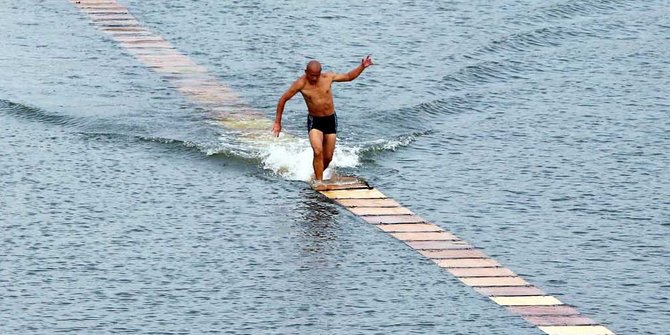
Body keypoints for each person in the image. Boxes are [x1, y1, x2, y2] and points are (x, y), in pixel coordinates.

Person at [272, 55, 373, 184]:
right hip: (315, 121)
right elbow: (283, 100)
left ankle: (314, 176)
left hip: (330, 120)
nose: (314, 78)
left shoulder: (327, 78)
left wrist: (362, 67)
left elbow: (348, 77)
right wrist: (277, 123)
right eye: (311, 75)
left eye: (316, 75)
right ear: (306, 72)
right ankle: (319, 182)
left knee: (328, 157)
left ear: (320, 73)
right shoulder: (300, 84)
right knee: (317, 150)